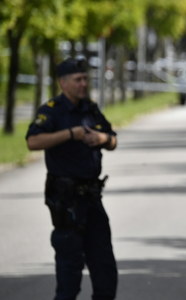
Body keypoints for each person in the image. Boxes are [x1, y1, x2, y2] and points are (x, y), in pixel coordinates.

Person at [26, 58, 118, 300]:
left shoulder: (90, 109)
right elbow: (32, 142)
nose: (83, 84)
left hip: (92, 198)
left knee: (105, 271)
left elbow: (113, 139)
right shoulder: (52, 111)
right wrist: (69, 134)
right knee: (69, 276)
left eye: (85, 79)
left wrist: (102, 140)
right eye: (78, 80)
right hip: (66, 202)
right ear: (63, 83)